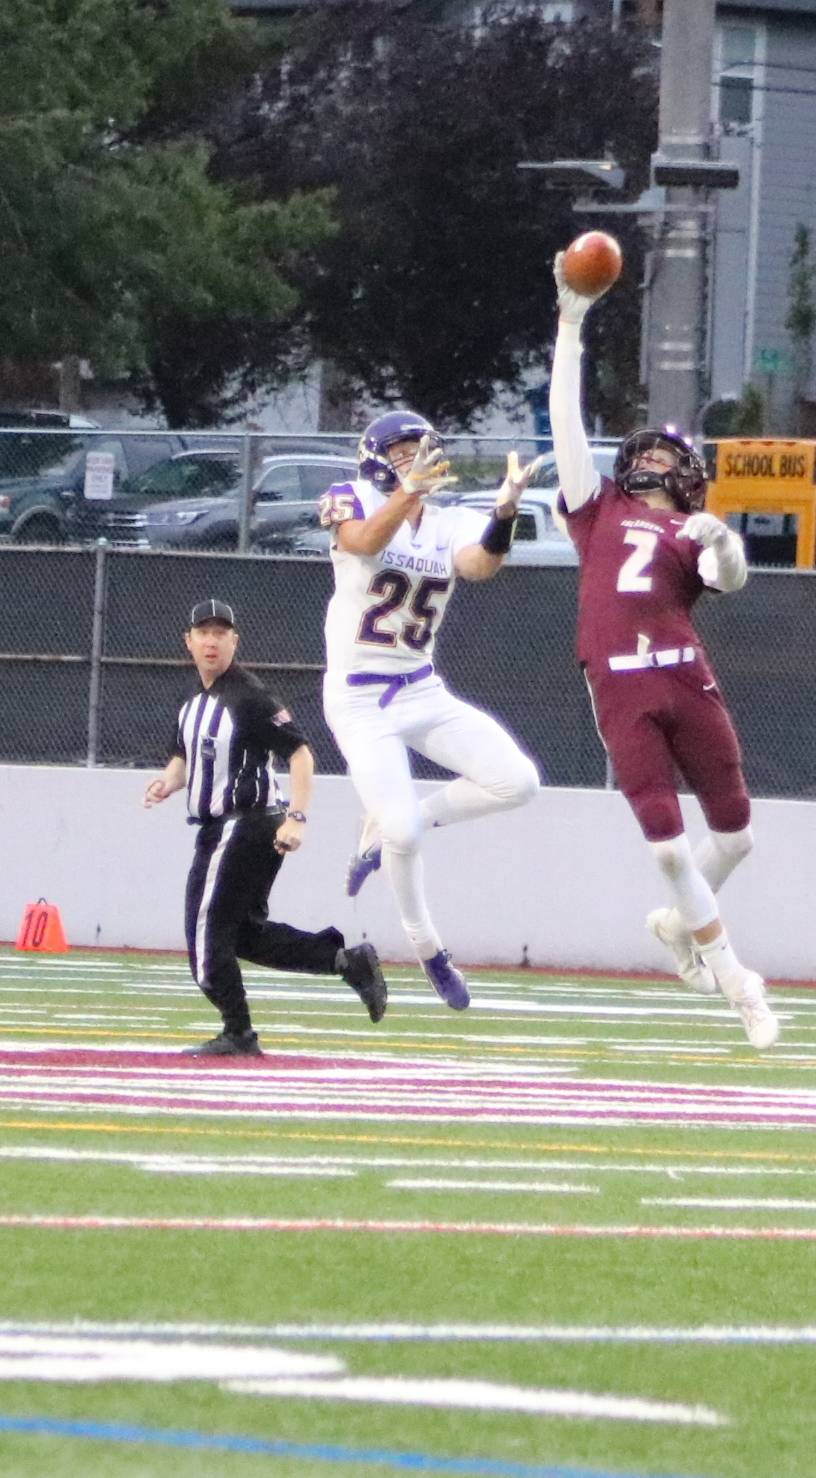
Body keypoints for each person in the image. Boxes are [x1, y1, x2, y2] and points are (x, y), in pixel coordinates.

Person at [547, 254, 778, 1050]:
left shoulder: (687, 530)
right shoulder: (595, 511)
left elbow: (729, 581)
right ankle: (737, 979)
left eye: (670, 462)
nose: (655, 466)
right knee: (669, 844)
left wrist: (726, 540)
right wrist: (571, 323)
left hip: (684, 676)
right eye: (649, 457)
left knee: (738, 834)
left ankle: (677, 929)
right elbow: (565, 424)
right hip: (619, 683)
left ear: (690, 482)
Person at [319, 412, 544, 1009]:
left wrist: (504, 515)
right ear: (374, 455)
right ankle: (429, 949)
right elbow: (363, 542)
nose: (412, 458)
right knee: (403, 831)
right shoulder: (350, 496)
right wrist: (407, 491)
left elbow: (480, 566)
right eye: (399, 451)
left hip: (419, 687)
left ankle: (386, 829)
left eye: (420, 450)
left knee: (518, 782)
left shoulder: (449, 522)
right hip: (359, 696)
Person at [144, 599, 388, 1056]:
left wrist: (297, 817)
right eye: (204, 632)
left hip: (244, 826)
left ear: (235, 641)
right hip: (230, 829)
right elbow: (185, 757)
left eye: (221, 632)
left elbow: (300, 753)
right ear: (189, 641)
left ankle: (238, 1032)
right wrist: (167, 782)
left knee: (204, 936)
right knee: (242, 935)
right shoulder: (193, 703)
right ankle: (344, 961)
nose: (212, 640)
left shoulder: (249, 697)